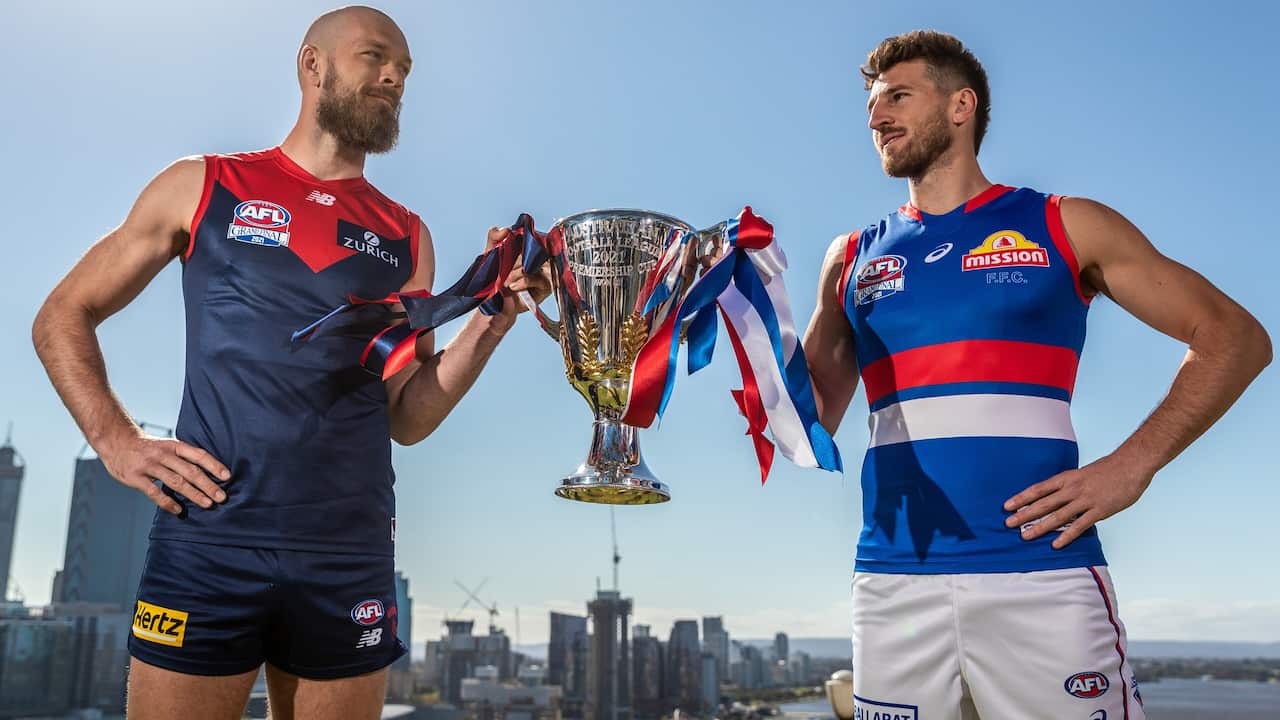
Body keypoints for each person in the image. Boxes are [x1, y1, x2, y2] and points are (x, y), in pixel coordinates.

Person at [31, 7, 544, 720]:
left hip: (348, 552)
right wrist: (117, 442)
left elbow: (407, 416)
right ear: (313, 65)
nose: (394, 77)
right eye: (374, 56)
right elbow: (63, 314)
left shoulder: (406, 235)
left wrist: (492, 317)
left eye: (404, 69)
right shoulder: (203, 184)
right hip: (211, 538)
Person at [802, 30, 1271, 720]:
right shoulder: (851, 258)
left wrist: (1132, 465)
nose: (877, 117)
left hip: (1041, 573)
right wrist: (721, 312)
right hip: (892, 581)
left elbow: (1236, 338)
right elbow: (807, 418)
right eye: (872, 105)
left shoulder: (1063, 223)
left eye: (897, 97)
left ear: (960, 106)